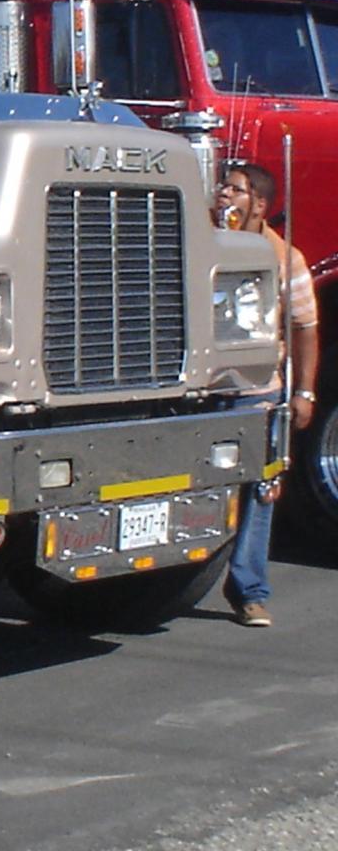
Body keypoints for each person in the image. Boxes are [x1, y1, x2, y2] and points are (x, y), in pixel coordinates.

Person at [216, 161, 319, 628]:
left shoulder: (285, 257)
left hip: (260, 391)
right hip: (208, 390)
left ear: (259, 204)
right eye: (222, 186)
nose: (223, 195)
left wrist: (305, 392)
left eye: (236, 190)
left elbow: (305, 328)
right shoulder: (203, 243)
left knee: (262, 489)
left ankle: (249, 590)